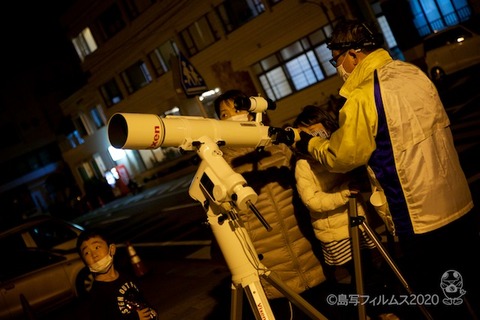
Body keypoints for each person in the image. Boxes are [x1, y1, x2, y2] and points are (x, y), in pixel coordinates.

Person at [293, 19, 480, 319]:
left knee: (441, 300)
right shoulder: (412, 73)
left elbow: (342, 156)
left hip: (418, 216)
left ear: (353, 55)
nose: (337, 67)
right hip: (460, 201)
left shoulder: (363, 95)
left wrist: (309, 145)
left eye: (336, 60)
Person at [213, 90, 336, 319]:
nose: (232, 116)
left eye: (237, 109)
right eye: (224, 113)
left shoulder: (278, 145)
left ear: (251, 111)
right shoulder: (220, 163)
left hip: (309, 253)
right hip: (271, 269)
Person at [293, 105, 399, 320]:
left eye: (316, 131)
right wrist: (343, 194)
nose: (312, 137)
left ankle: (376, 309)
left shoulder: (335, 151)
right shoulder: (303, 165)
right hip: (336, 232)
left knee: (371, 268)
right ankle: (374, 311)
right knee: (361, 274)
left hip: (357, 222)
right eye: (306, 133)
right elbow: (312, 201)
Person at [76, 229, 158, 320]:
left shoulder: (126, 276)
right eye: (87, 253)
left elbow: (141, 298)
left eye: (97, 247)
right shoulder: (97, 295)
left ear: (112, 249)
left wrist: (152, 311)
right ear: (84, 262)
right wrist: (134, 317)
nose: (94, 255)